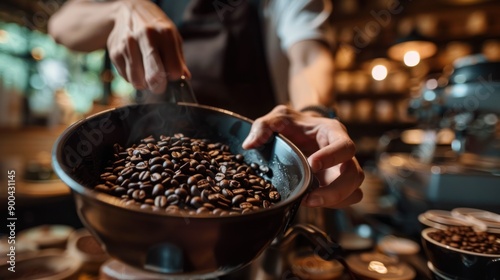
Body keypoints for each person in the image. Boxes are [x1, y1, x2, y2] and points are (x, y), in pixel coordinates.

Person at [48, 0, 364, 209]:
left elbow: (308, 54)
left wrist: (313, 113)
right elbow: (62, 25)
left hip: (254, 156)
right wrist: (120, 9)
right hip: (151, 143)